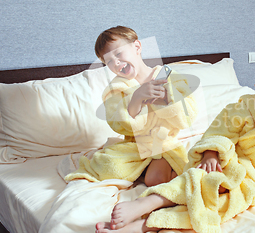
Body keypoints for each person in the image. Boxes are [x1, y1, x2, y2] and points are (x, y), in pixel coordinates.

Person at [95, 49, 255, 233]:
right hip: (229, 160)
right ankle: (146, 207)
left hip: (253, 178)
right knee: (205, 176)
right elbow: (220, 129)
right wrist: (210, 152)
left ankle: (142, 224)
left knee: (217, 203)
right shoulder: (249, 104)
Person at [65, 26, 197, 187]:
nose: (116, 62)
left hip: (162, 143)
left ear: (137, 47)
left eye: (119, 54)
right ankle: (144, 170)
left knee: (154, 180)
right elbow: (119, 125)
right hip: (133, 146)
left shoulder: (169, 77)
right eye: (109, 61)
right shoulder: (115, 89)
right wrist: (135, 99)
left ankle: (178, 177)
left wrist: (165, 97)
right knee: (108, 166)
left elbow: (187, 116)